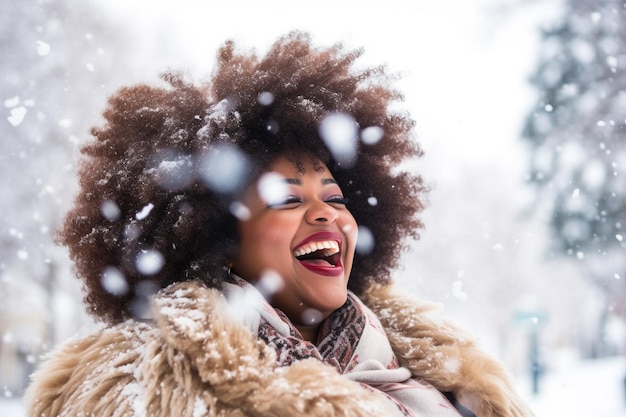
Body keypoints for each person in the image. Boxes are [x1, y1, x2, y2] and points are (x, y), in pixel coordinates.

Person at [25, 32, 534, 417]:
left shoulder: (449, 374)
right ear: (219, 242)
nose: (325, 214)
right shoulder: (139, 387)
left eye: (334, 196)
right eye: (288, 200)